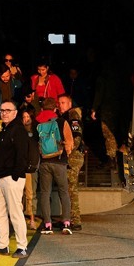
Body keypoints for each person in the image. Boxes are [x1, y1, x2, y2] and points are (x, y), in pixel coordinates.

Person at [0, 100, 30, 258]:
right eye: (2, 110)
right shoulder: (5, 130)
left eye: (8, 110)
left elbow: (22, 154)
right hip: (2, 177)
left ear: (15, 113)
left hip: (12, 177)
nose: (4, 113)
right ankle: (3, 244)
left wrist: (16, 175)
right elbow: (3, 154)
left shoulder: (18, 130)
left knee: (15, 213)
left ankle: (22, 246)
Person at [36, 97, 73, 235]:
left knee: (45, 193)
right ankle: (66, 223)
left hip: (44, 162)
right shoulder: (61, 121)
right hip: (59, 161)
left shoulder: (37, 122)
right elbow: (69, 141)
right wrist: (66, 154)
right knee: (64, 191)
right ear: (55, 108)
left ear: (42, 108)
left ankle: (47, 225)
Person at [58, 94, 85, 231]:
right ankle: (67, 218)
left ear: (69, 104)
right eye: (59, 103)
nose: (60, 105)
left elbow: (76, 137)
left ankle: (75, 220)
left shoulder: (73, 115)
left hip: (73, 157)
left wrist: (67, 150)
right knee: (66, 188)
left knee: (71, 189)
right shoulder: (64, 117)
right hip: (69, 156)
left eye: (63, 102)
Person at [20, 108, 40, 230]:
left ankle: (31, 219)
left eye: (28, 117)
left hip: (31, 167)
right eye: (24, 117)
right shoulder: (18, 131)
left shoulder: (36, 131)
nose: (26, 119)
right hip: (20, 167)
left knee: (30, 194)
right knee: (19, 195)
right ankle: (21, 218)